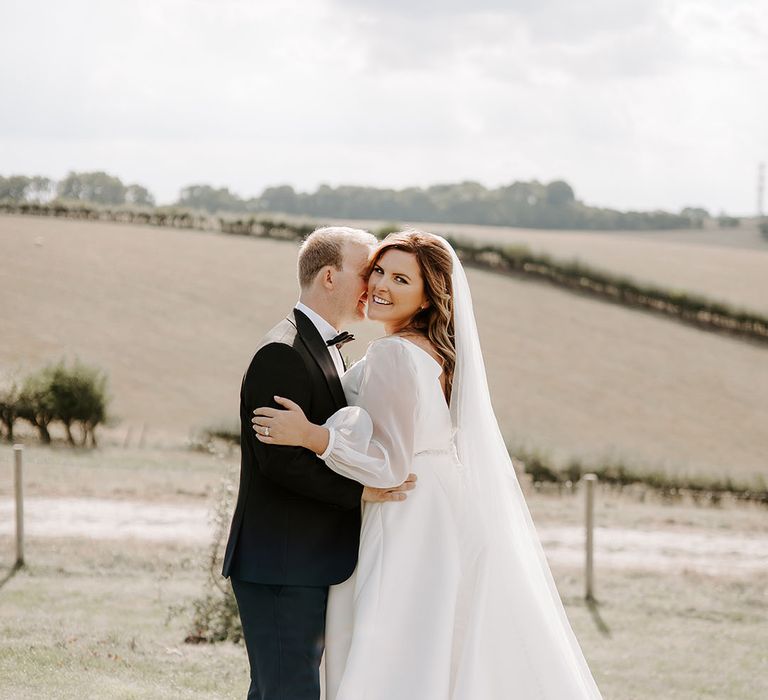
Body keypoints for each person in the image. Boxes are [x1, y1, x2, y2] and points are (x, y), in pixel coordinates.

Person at [252, 230, 604, 699]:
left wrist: (314, 437)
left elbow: (391, 466)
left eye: (401, 278)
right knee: (436, 642)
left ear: (425, 298)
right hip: (440, 505)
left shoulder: (397, 352)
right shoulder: (433, 352)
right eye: (378, 270)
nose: (380, 284)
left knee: (396, 643)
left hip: (406, 512)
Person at [221, 226, 417, 700]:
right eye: (366, 271)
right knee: (290, 691)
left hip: (303, 560)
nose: (374, 284)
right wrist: (362, 493)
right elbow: (280, 463)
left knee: (279, 690)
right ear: (330, 277)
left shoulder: (324, 346)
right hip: (281, 562)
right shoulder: (282, 353)